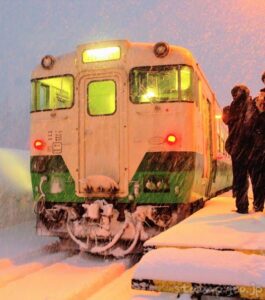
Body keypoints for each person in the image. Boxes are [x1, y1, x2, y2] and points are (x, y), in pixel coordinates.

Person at [222, 85, 252, 213]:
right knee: (256, 178)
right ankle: (257, 205)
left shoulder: (233, 107)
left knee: (240, 179)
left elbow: (228, 121)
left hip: (239, 149)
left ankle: (242, 206)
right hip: (250, 148)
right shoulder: (252, 105)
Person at [248, 91, 265, 212]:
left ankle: (258, 204)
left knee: (259, 179)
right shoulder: (254, 109)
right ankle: (258, 204)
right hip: (256, 152)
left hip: (258, 150)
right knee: (257, 180)